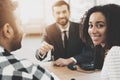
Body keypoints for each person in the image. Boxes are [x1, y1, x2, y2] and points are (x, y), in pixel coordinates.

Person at [0, 0, 58, 80]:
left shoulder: (78, 28)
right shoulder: (28, 71)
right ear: (7, 30)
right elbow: (40, 53)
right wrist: (41, 52)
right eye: (20, 23)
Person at [36, 0, 94, 67]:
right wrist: (41, 52)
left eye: (64, 12)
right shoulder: (49, 30)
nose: (61, 16)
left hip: (77, 67)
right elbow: (39, 56)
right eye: (58, 13)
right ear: (53, 15)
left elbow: (91, 52)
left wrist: (70, 60)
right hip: (58, 67)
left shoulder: (80, 28)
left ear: (69, 12)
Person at [80, 4, 120, 80]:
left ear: (113, 27)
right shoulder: (105, 50)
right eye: (91, 25)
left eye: (100, 25)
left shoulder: (115, 52)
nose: (93, 31)